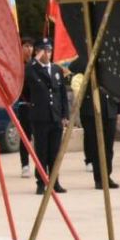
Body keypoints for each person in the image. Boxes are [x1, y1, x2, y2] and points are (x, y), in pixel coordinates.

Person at [73, 60, 120, 190]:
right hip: (92, 112)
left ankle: (107, 175)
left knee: (108, 147)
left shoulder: (112, 64)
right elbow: (74, 70)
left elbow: (118, 87)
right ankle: (99, 179)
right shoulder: (85, 63)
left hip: (110, 110)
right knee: (96, 146)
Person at [26, 39, 68, 194]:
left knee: (55, 153)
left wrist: (65, 114)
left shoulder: (56, 69)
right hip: (40, 118)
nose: (47, 54)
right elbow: (27, 70)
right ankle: (41, 183)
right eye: (44, 51)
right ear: (38, 52)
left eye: (49, 50)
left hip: (55, 117)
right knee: (41, 152)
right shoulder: (33, 69)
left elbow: (62, 94)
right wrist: (36, 58)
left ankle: (55, 182)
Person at [16, 36, 34, 177]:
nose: (29, 49)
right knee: (25, 137)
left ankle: (41, 164)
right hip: (24, 105)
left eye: (31, 46)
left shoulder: (36, 65)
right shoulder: (18, 66)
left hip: (38, 106)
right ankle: (25, 164)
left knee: (40, 137)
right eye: (26, 46)